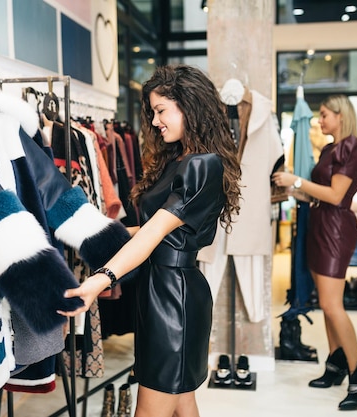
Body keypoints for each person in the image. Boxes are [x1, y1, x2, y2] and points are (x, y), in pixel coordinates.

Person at [59, 64, 241, 417]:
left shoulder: (202, 166)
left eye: (161, 111)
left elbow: (157, 233)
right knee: (181, 403)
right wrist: (93, 233)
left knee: (156, 405)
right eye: (154, 112)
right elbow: (151, 229)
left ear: (189, 106)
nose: (155, 121)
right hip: (160, 291)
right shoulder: (179, 160)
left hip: (174, 298)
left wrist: (101, 279)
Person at [272, 95, 357, 411]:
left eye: (325, 114)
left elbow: (336, 194)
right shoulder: (330, 149)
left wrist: (296, 180)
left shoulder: (350, 149)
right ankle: (335, 364)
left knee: (332, 304)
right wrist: (292, 190)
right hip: (319, 225)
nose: (320, 120)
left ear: (341, 116)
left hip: (335, 230)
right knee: (326, 305)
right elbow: (320, 193)